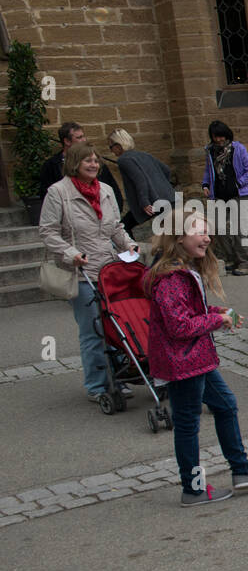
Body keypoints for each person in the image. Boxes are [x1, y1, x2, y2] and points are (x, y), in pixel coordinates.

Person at [145, 213, 248, 506]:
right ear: (179, 236)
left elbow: (192, 310)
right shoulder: (170, 277)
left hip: (196, 358)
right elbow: (179, 326)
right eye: (199, 231)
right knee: (187, 423)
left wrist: (219, 312)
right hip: (182, 361)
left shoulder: (184, 270)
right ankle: (193, 489)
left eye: (208, 232)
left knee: (226, 405)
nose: (207, 237)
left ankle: (242, 471)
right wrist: (216, 320)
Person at [39, 141, 139, 403]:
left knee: (116, 327)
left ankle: (117, 377)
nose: (94, 165)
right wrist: (70, 253)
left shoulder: (105, 190)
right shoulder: (57, 192)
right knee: (93, 330)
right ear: (75, 163)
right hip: (81, 272)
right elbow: (47, 231)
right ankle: (97, 385)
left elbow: (116, 228)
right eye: (88, 161)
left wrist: (128, 245)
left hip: (109, 269)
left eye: (96, 160)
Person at [201, 120, 248, 275]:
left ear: (227, 134)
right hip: (218, 194)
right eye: (216, 137)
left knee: (239, 230)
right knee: (218, 229)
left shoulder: (238, 149)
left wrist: (239, 184)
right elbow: (208, 170)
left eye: (221, 136)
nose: (219, 140)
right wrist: (205, 185)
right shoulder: (210, 150)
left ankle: (245, 264)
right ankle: (231, 259)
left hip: (239, 195)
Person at [39, 121, 125, 212]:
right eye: (79, 137)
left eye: (83, 136)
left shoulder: (97, 163)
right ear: (67, 141)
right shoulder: (52, 165)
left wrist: (114, 215)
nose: (84, 140)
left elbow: (113, 191)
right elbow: (47, 196)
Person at [107, 129, 172, 245]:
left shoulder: (124, 160)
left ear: (118, 145)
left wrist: (144, 202)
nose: (111, 151)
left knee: (124, 227)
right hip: (168, 198)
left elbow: (140, 180)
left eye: (111, 147)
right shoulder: (144, 155)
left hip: (152, 201)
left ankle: (133, 254)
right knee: (172, 232)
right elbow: (166, 170)